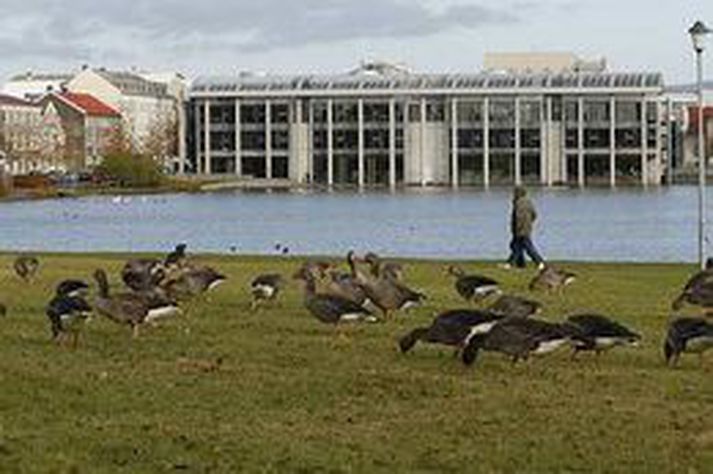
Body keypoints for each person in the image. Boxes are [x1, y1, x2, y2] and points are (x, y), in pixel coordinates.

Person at [502, 186, 545, 270]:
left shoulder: (518, 203)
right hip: (527, 228)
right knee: (517, 247)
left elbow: (518, 217)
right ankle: (516, 264)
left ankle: (539, 262)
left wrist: (518, 228)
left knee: (527, 247)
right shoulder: (529, 202)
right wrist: (529, 223)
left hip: (520, 229)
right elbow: (534, 215)